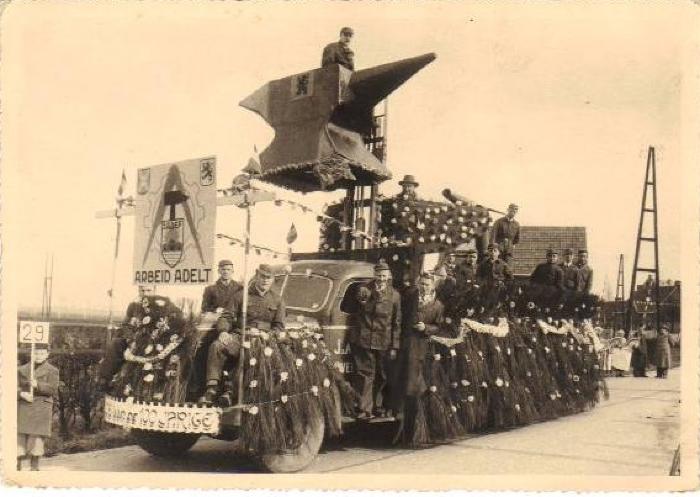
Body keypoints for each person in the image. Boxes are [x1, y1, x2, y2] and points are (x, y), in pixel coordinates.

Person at [201, 264, 285, 405]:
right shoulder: (241, 296)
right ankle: (212, 388)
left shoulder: (277, 300)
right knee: (217, 346)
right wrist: (223, 332)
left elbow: (279, 327)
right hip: (240, 335)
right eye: (262, 277)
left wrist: (268, 335)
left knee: (248, 354)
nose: (265, 280)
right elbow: (226, 317)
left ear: (272, 280)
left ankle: (230, 391)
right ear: (257, 276)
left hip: (261, 340)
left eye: (269, 278)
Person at [394, 272, 444, 442]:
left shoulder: (437, 305)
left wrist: (426, 328)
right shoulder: (410, 297)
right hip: (407, 346)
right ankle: (405, 429)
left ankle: (416, 430)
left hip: (423, 349)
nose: (423, 287)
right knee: (406, 386)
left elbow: (438, 326)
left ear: (433, 286)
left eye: (427, 284)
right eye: (421, 284)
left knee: (417, 388)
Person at [351, 261, 402, 419]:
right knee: (365, 374)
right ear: (374, 275)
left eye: (384, 276)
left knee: (382, 375)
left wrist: (394, 346)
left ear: (389, 277)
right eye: (378, 275)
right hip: (364, 339)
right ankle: (364, 408)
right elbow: (361, 298)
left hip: (383, 342)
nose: (381, 278)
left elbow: (396, 323)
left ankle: (378, 406)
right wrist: (370, 295)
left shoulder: (394, 296)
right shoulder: (365, 290)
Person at [98, 284, 155, 384]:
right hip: (133, 338)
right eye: (142, 290)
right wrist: (131, 338)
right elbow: (125, 324)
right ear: (139, 291)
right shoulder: (134, 306)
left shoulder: (159, 307)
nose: (145, 293)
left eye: (149, 290)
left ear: (154, 290)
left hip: (151, 339)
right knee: (116, 343)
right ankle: (105, 378)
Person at [17, 344, 59, 471]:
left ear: (47, 354)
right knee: (19, 438)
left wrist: (38, 385)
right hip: (24, 405)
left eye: (42, 353)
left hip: (41, 407)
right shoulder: (22, 369)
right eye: (36, 353)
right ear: (31, 354)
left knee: (36, 439)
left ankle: (34, 467)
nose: (38, 356)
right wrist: (21, 394)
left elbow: (53, 389)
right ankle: (16, 466)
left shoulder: (53, 370)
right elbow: (13, 386)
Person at [476, 244, 513, 309]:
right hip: (486, 288)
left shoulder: (503, 264)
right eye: (490, 250)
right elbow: (478, 276)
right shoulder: (483, 264)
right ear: (488, 252)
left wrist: (504, 283)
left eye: (495, 251)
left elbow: (510, 278)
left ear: (499, 253)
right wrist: (481, 283)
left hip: (499, 289)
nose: (492, 252)